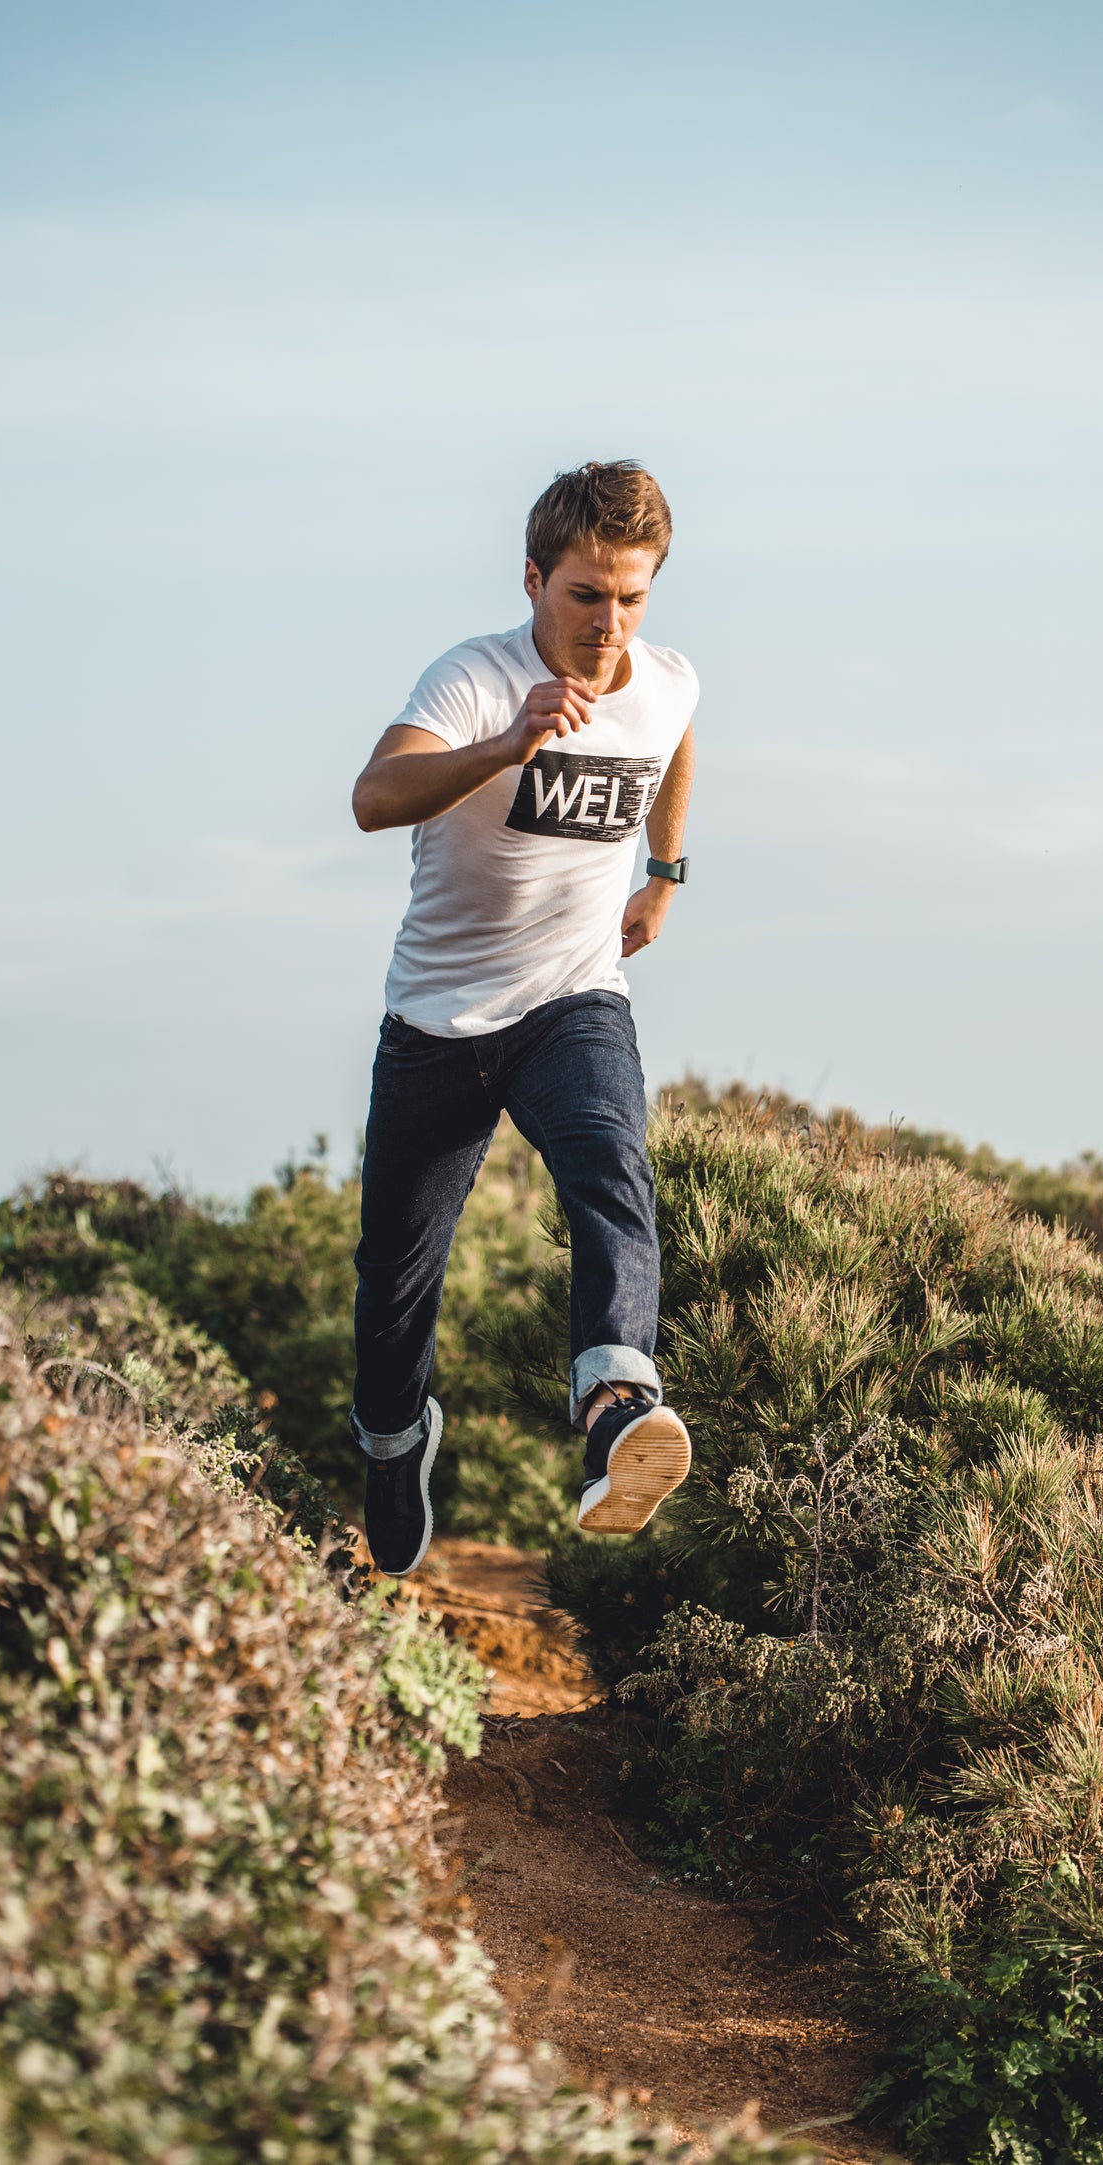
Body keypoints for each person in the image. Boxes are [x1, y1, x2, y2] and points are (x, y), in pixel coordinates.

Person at [349, 460, 696, 1577]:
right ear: (534, 579)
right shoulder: (472, 678)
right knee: (394, 1281)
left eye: (631, 597)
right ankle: (392, 1443)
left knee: (610, 1162)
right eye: (586, 594)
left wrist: (665, 872)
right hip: (438, 1023)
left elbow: (675, 732)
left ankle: (612, 1404)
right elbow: (371, 797)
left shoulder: (664, 677)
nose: (609, 623)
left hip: (571, 996)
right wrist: (506, 745)